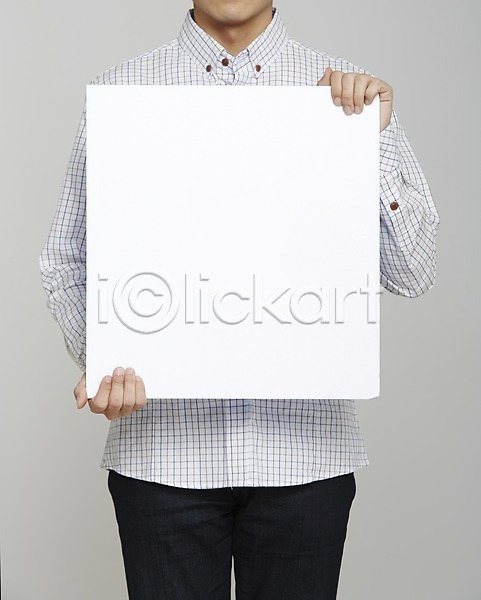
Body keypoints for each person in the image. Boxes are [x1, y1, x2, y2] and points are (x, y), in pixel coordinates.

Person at [38, 1, 440, 598]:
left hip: (306, 458)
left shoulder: (349, 96)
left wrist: (374, 138)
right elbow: (66, 259)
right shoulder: (122, 93)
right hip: (161, 458)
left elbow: (415, 270)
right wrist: (107, 357)